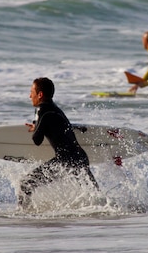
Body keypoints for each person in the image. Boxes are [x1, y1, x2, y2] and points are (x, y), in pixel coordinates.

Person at [19, 77, 99, 207]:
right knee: (95, 194)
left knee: (25, 184)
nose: (29, 96)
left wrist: (37, 127)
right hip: (80, 157)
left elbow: (37, 140)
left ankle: (22, 213)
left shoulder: (41, 109)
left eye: (31, 92)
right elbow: (56, 124)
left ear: (40, 94)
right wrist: (38, 125)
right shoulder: (55, 108)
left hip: (65, 161)